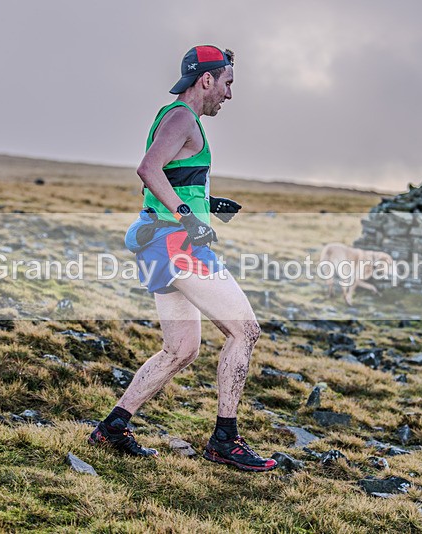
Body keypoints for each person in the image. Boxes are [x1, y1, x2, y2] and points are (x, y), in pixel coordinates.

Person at [88, 45, 277, 472]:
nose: (229, 95)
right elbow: (149, 169)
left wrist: (207, 201)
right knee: (245, 331)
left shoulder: (170, 115)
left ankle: (113, 428)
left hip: (157, 241)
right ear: (206, 79)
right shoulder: (182, 118)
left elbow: (171, 175)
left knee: (181, 349)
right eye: (228, 84)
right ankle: (224, 440)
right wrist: (190, 216)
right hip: (177, 245)